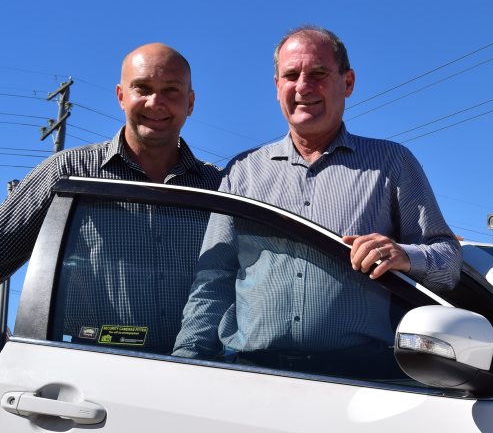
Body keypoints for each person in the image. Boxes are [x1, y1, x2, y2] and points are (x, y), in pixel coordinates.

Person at [172, 26, 460, 366]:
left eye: (319, 74)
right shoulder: (243, 171)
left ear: (348, 82)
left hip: (361, 376)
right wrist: (186, 359)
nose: (303, 87)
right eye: (291, 75)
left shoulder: (392, 164)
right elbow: (213, 278)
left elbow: (449, 261)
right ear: (277, 86)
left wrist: (405, 255)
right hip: (251, 372)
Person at [0, 43, 221, 351]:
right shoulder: (69, 173)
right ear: (121, 96)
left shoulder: (218, 188)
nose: (155, 103)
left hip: (199, 379)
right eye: (142, 89)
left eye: (171, 90)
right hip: (84, 381)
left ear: (190, 102)